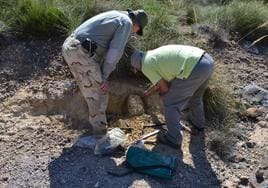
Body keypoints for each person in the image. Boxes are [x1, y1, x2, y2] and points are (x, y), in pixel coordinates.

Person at [62, 9, 148, 135]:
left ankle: (88, 125)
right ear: (137, 25)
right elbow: (114, 52)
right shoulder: (127, 23)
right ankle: (100, 135)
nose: (134, 33)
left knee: (93, 89)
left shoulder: (116, 15)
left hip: (72, 48)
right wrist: (104, 76)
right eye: (137, 31)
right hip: (81, 52)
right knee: (100, 92)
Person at [130, 45, 214, 149]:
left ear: (137, 66)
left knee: (170, 103)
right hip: (206, 61)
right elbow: (161, 81)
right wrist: (148, 92)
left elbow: (164, 88)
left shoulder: (145, 65)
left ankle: (174, 139)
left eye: (137, 70)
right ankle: (199, 125)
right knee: (196, 97)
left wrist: (163, 95)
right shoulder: (152, 55)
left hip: (194, 68)